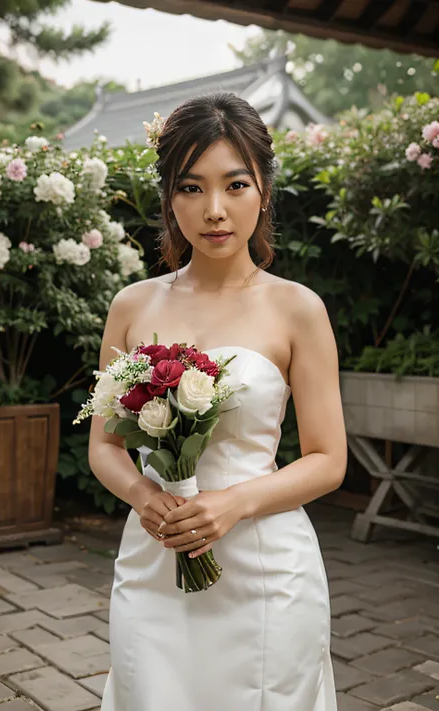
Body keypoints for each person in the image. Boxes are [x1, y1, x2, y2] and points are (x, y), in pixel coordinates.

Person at [91, 92, 347, 711]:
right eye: (190, 188)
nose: (213, 210)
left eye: (235, 185)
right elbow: (103, 445)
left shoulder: (298, 308)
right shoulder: (132, 305)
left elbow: (328, 459)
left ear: (263, 188)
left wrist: (233, 503)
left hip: (265, 568)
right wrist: (144, 496)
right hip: (155, 554)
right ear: (167, 198)